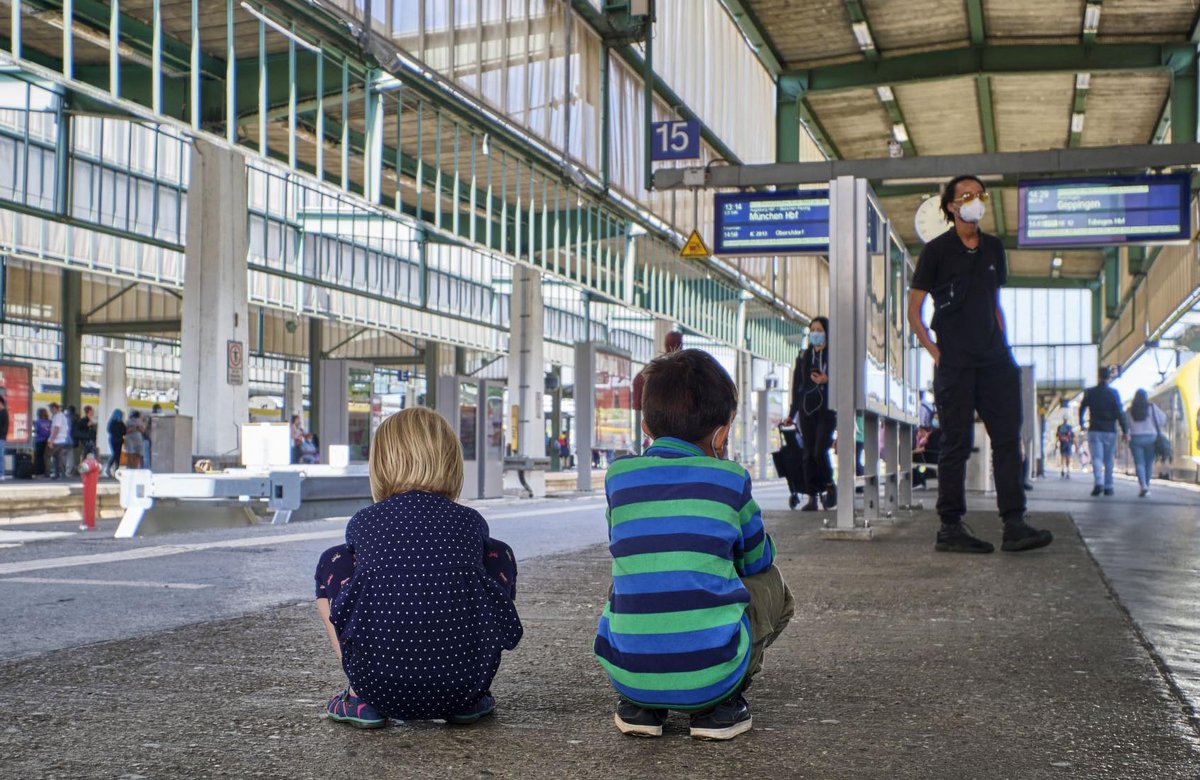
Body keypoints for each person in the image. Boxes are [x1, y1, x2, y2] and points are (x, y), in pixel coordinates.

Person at [596, 348, 794, 741]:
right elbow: (757, 561)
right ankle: (720, 703)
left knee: (636, 575)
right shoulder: (731, 479)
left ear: (645, 425)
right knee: (775, 587)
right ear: (721, 435)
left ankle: (642, 706)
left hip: (628, 675)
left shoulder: (619, 477)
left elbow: (621, 542)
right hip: (713, 678)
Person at [316, 407, 522, 729]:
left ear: (381, 464)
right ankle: (470, 701)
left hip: (379, 686)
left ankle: (359, 696)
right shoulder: (468, 522)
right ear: (451, 462)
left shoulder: (366, 522)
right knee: (497, 554)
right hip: (463, 686)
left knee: (333, 560)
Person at [908, 174, 1052, 554]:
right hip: (954, 362)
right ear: (953, 207)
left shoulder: (993, 248)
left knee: (1008, 439)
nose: (976, 200)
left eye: (979, 194)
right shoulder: (936, 252)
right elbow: (914, 311)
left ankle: (1015, 523)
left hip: (995, 362)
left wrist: (1003, 346)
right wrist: (936, 353)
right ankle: (950, 527)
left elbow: (994, 303)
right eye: (967, 195)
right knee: (957, 443)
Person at [788, 317, 837, 511]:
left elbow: (843, 380)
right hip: (806, 410)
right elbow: (797, 387)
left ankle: (829, 485)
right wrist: (792, 413)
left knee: (819, 451)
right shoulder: (804, 357)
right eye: (813, 330)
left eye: (819, 329)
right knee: (807, 454)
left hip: (826, 410)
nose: (815, 333)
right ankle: (812, 496)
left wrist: (827, 379)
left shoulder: (833, 356)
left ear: (826, 333)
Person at [1079, 368, 1128, 497]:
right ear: (1108, 378)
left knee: (1096, 458)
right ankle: (1109, 487)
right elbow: (1119, 413)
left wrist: (1081, 424)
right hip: (1110, 430)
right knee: (1108, 459)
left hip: (1095, 429)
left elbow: (1082, 408)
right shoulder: (1114, 393)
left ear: (1098, 377)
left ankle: (1098, 483)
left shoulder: (1090, 392)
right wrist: (1125, 430)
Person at [1127, 389, 1166, 498]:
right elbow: (1163, 419)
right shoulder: (1152, 407)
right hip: (1151, 438)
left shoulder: (1130, 410)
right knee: (1148, 464)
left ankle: (1143, 485)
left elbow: (1126, 425)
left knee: (1139, 463)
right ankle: (1146, 486)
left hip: (1135, 438)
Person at [48, 403, 71, 480]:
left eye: (51, 409)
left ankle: (55, 474)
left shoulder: (58, 416)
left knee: (50, 455)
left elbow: (57, 428)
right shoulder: (62, 416)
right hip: (62, 439)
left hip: (58, 440)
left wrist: (51, 440)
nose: (50, 410)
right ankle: (61, 474)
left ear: (55, 408)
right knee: (58, 457)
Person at [105, 409, 126, 478]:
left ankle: (115, 469)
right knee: (115, 454)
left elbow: (109, 430)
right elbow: (124, 431)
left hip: (114, 440)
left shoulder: (112, 422)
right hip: (117, 440)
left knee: (117, 455)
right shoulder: (119, 423)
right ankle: (110, 468)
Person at [32, 408, 50, 478]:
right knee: (45, 457)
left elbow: (36, 431)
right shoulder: (49, 422)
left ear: (38, 414)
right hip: (47, 441)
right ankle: (45, 472)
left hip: (39, 441)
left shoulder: (37, 422)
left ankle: (39, 472)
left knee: (38, 457)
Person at [0, 395, 7, 480]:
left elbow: (3, 428)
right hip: (1, 438)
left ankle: (2, 474)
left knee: (0, 456)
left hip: (1, 438)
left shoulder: (3, 413)